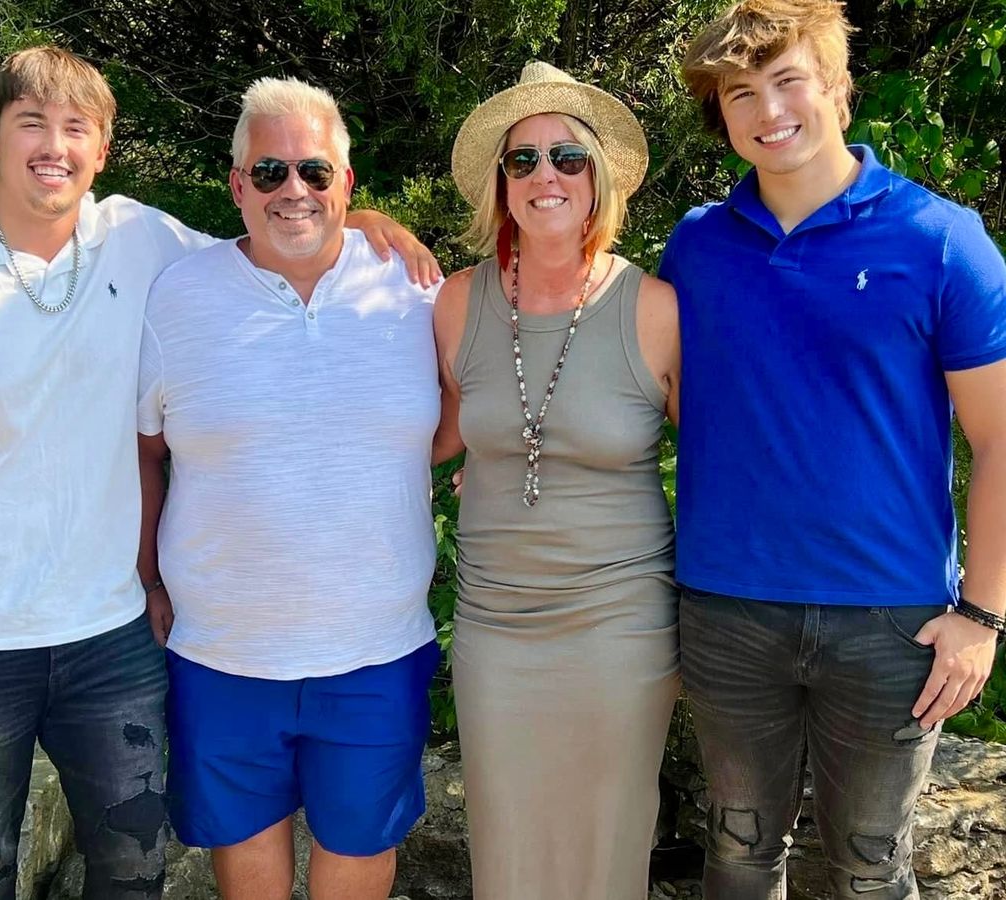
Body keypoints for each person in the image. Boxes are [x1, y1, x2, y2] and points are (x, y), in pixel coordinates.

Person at [0, 46, 438, 900]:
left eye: (75, 128)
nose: (54, 147)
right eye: (31, 124)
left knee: (132, 864)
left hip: (116, 631)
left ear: (102, 150)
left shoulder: (143, 241)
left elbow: (286, 240)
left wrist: (373, 220)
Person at [660, 2, 1006, 897]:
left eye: (788, 81)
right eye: (741, 93)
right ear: (721, 114)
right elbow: (661, 391)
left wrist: (983, 616)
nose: (769, 110)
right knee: (737, 856)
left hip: (891, 621)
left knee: (869, 870)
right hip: (729, 611)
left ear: (838, 88)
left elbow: (1001, 435)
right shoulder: (696, 247)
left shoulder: (940, 241)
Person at [136, 76, 441, 900]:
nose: (293, 189)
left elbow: (453, 428)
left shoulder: (417, 290)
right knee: (245, 860)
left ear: (347, 182)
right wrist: (149, 577)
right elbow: (145, 450)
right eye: (270, 172)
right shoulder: (178, 295)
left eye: (314, 170)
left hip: (377, 647)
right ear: (237, 185)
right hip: (221, 650)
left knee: (360, 849)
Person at [431, 62, 681, 899]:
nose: (546, 175)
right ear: (502, 185)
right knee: (505, 843)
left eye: (567, 157)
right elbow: (430, 435)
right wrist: (356, 220)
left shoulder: (656, 309)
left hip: (620, 622)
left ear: (597, 176)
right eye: (524, 159)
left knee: (608, 843)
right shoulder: (456, 304)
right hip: (494, 623)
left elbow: (728, 459)